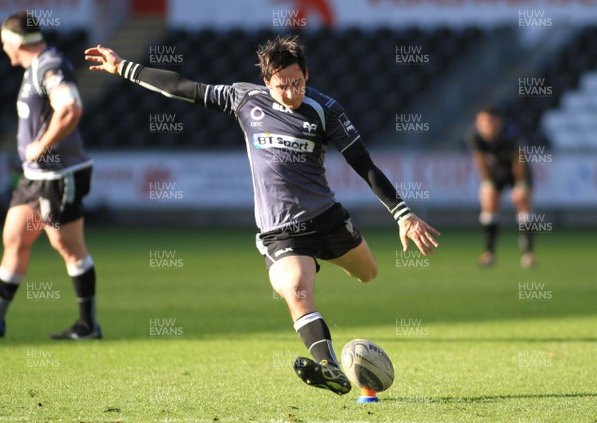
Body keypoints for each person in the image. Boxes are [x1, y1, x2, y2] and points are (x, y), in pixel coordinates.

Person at [85, 35, 439, 394]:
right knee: (297, 289)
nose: (291, 92)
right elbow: (184, 87)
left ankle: (327, 317)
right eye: (283, 86)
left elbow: (363, 164)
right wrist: (122, 67)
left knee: (368, 273)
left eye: (298, 82)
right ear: (267, 81)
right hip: (280, 230)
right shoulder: (245, 98)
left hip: (327, 217)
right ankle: (329, 367)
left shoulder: (325, 109)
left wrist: (403, 214)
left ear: (307, 74)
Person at [0, 12, 101, 339]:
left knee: (67, 245)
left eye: (3, 43)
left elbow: (69, 107)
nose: (3, 49)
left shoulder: (49, 64)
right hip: (34, 177)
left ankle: (87, 326)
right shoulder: (35, 68)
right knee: (14, 237)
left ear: (14, 43)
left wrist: (41, 145)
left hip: (59, 175)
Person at [466, 106, 535, 268]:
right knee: (489, 202)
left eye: (489, 121)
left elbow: (520, 158)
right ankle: (488, 253)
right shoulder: (473, 136)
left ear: (499, 122)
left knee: (522, 203)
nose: (485, 125)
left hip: (518, 168)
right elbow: (480, 159)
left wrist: (521, 184)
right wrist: (488, 182)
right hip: (497, 169)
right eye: (481, 122)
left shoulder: (511, 133)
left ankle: (528, 253)